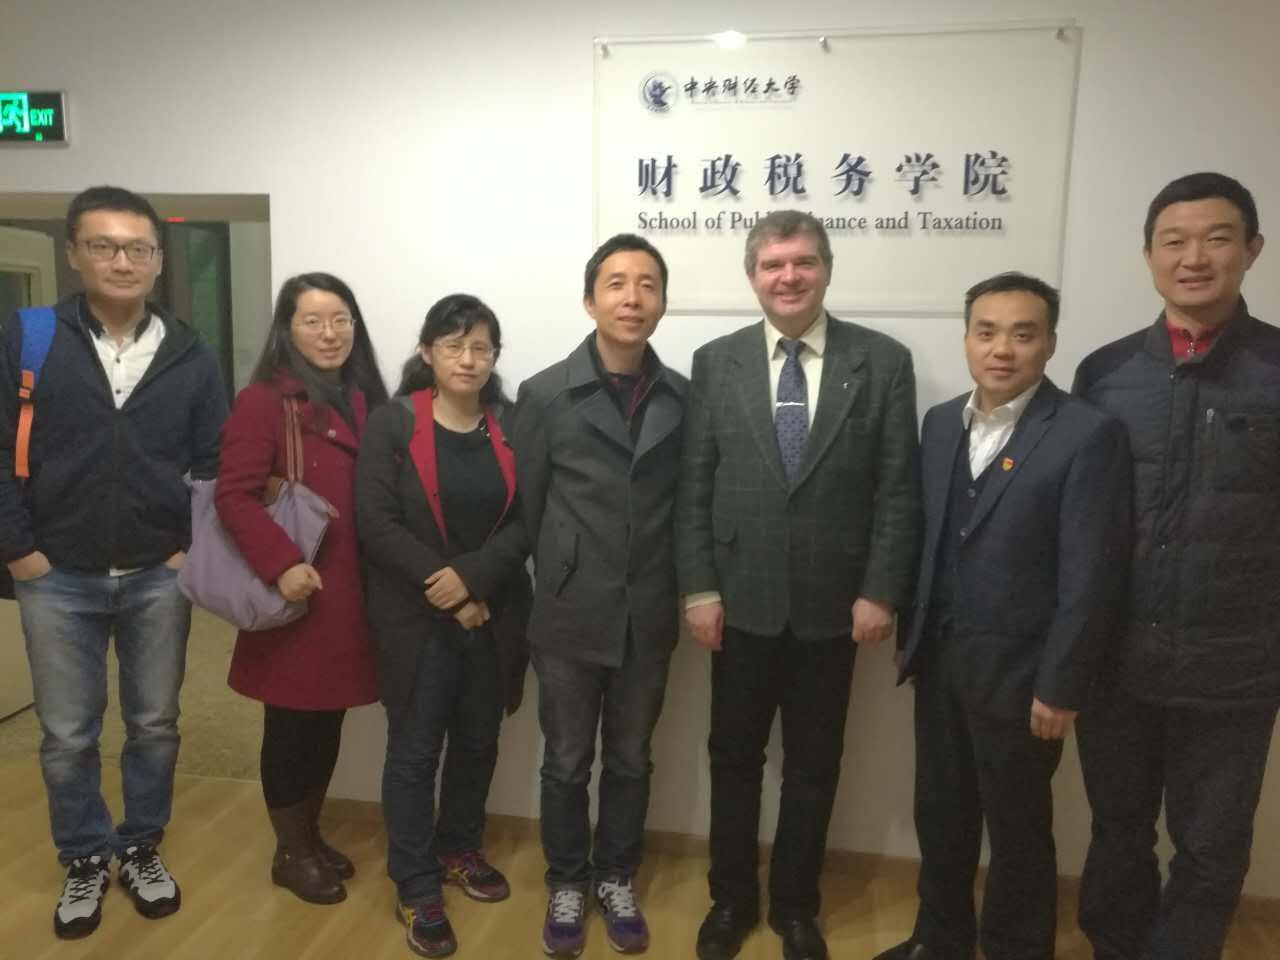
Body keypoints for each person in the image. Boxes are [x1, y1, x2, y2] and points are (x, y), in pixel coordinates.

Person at [676, 210, 922, 960]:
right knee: (733, 759)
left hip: (834, 607)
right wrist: (699, 589)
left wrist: (881, 590)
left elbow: (897, 489)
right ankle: (730, 900)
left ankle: (794, 907)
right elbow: (695, 485)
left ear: (826, 269)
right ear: (753, 276)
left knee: (814, 768)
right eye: (773, 264)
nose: (789, 277)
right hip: (738, 603)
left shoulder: (881, 362)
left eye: (804, 262)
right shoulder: (716, 362)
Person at [872, 273, 1131, 960]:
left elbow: (1091, 572)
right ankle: (940, 939)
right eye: (986, 332)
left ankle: (1016, 949)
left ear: (1049, 343)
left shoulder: (1086, 433)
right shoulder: (940, 423)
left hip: (1024, 675)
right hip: (940, 659)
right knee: (940, 813)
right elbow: (931, 536)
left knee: (1017, 828)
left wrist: (1062, 682)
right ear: (966, 339)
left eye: (1023, 334)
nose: (1002, 349)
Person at [0, 185, 227, 939]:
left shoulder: (191, 353)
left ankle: (140, 845)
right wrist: (19, 551)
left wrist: (189, 548)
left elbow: (212, 461)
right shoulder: (28, 338)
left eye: (138, 248)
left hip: (159, 573)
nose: (122, 261)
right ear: (74, 253)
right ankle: (85, 855)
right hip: (54, 575)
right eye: (104, 245)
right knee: (68, 733)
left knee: (155, 722)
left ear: (158, 259)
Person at [1072, 171, 1276, 960]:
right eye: (1174, 241)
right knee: (1118, 830)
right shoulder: (1105, 374)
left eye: (1217, 239)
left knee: (1211, 847)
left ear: (1252, 249)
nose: (1194, 258)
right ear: (1149, 255)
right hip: (1119, 660)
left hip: (1237, 665)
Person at [511, 234, 687, 958]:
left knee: (632, 758)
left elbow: (686, 505)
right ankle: (566, 880)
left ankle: (616, 876)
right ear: (590, 300)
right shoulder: (545, 393)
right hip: (568, 611)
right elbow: (528, 506)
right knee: (565, 761)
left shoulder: (682, 397)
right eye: (616, 283)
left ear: (662, 302)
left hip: (649, 610)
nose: (632, 298)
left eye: (647, 284)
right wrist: (564, 568)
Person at [355, 294, 532, 958]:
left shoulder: (510, 426)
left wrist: (476, 582)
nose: (468, 358)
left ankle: (459, 848)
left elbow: (527, 518)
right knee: (414, 752)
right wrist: (451, 591)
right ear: (427, 351)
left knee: (479, 743)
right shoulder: (394, 423)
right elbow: (376, 523)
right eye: (454, 345)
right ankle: (415, 882)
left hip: (494, 615)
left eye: (481, 346)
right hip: (416, 619)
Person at [214, 272, 387, 906]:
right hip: (297, 591)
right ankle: (289, 852)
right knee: (290, 724)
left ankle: (309, 836)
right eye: (312, 321)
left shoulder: (366, 398)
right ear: (287, 330)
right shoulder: (264, 400)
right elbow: (233, 495)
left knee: (327, 718)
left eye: (340, 319)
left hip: (352, 594)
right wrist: (281, 563)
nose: (329, 333)